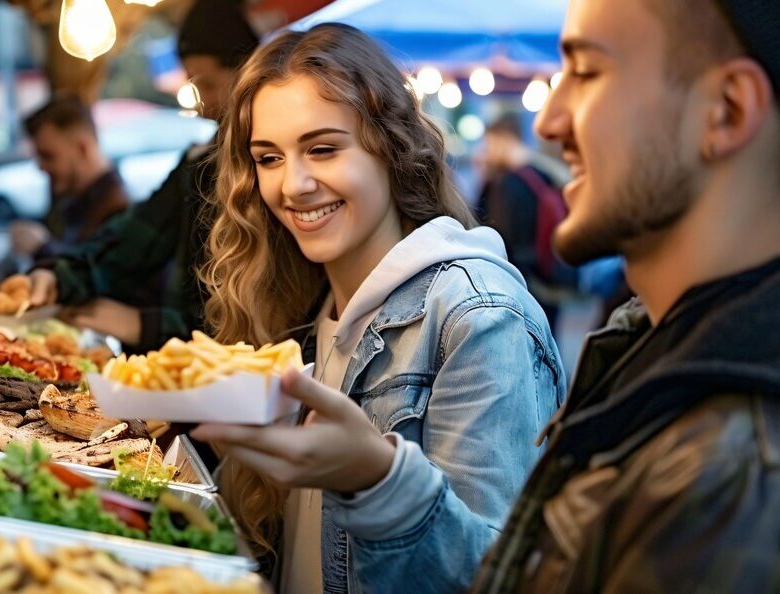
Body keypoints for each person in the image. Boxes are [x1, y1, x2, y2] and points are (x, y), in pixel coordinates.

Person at [189, 24, 565, 593]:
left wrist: (376, 478)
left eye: (323, 149)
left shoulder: (478, 315)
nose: (293, 185)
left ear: (389, 145)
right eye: (268, 158)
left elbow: (498, 576)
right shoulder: (297, 305)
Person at [467, 0, 780, 592]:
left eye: (586, 73)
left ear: (726, 111)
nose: (548, 121)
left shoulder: (734, 477)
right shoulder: (645, 348)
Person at [12, 0, 259, 353]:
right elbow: (131, 240)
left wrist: (142, 324)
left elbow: (258, 327)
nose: (202, 104)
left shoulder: (268, 177)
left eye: (206, 84)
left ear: (249, 72)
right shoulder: (199, 162)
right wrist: (59, 276)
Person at [477, 114, 575, 327]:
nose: (488, 151)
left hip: (526, 283)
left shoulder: (511, 183)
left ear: (506, 139)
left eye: (490, 143)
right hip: (551, 274)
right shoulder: (544, 173)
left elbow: (506, 236)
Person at [9, 96, 131, 260]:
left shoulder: (117, 212)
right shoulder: (86, 204)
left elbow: (98, 277)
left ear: (82, 148)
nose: (41, 167)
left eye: (48, 156)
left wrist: (41, 248)